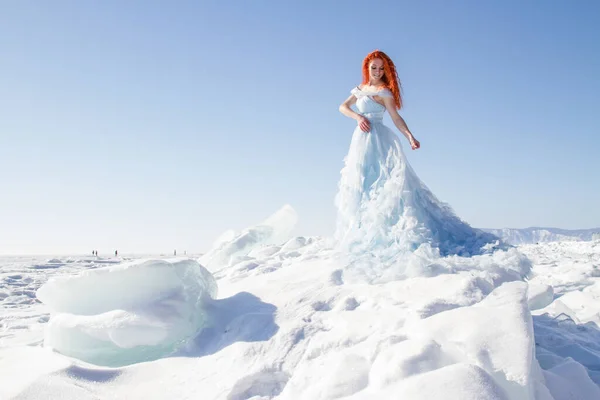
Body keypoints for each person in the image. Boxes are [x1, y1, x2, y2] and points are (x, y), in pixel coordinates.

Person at [335, 50, 496, 257]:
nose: (377, 71)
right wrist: (357, 117)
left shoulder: (385, 92)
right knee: (362, 182)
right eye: (373, 67)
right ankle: (361, 232)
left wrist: (410, 136)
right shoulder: (360, 89)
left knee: (383, 182)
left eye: (381, 68)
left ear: (386, 71)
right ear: (367, 67)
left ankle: (388, 234)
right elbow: (342, 107)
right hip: (360, 141)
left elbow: (396, 118)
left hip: (379, 140)